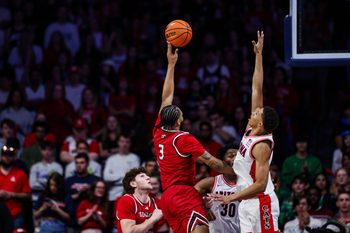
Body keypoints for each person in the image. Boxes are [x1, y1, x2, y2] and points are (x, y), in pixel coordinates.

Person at [153, 42, 234, 233]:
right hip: (183, 194)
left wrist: (171, 65)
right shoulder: (183, 138)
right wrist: (237, 170)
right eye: (181, 115)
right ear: (178, 121)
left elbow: (166, 98)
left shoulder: (158, 131)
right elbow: (213, 163)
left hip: (167, 197)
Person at [208, 31, 280, 233]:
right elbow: (257, 88)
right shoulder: (252, 128)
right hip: (247, 202)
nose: (255, 110)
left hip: (261, 202)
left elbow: (260, 184)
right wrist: (259, 55)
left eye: (258, 112)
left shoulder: (262, 146)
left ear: (262, 124)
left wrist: (230, 197)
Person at [194, 144, 240, 233]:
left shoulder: (247, 183)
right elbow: (191, 193)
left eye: (238, 155)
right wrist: (203, 207)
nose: (235, 158)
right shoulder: (212, 181)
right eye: (230, 155)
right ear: (222, 161)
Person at [115, 167, 163, 233]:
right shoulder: (127, 200)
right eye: (142, 176)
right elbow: (128, 231)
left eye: (147, 175)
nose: (148, 177)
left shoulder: (156, 202)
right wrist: (152, 219)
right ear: (133, 184)